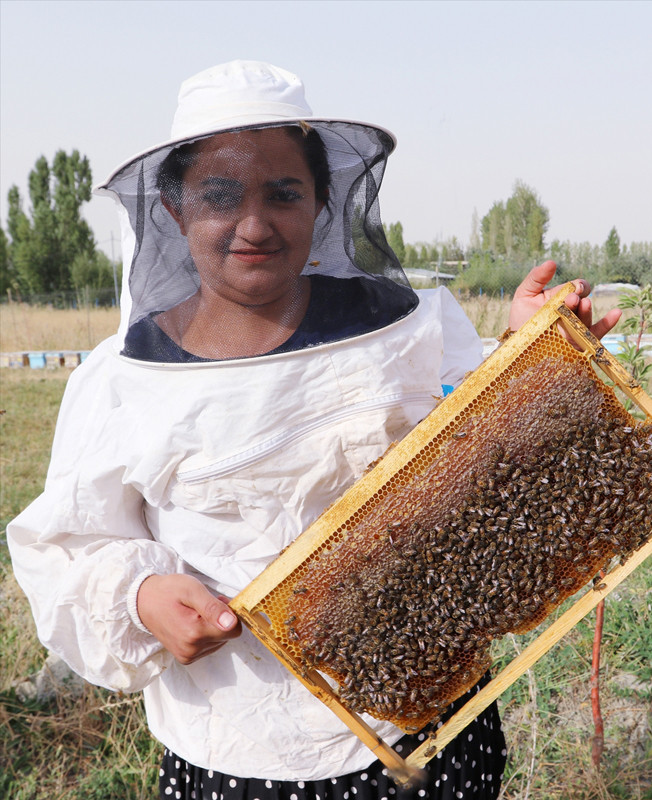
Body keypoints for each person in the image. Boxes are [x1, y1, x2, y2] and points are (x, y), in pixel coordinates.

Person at [7, 61, 620, 800]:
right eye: (220, 196)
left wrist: (524, 361)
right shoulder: (120, 382)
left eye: (284, 193)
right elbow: (67, 548)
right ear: (173, 210)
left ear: (323, 201)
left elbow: (477, 456)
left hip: (430, 725)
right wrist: (140, 598)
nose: (255, 224)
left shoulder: (408, 328)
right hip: (237, 751)